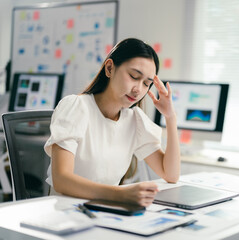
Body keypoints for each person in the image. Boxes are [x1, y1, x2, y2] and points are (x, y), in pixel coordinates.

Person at [44, 38, 180, 207]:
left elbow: (171, 175)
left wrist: (170, 117)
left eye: (146, 83)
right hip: (65, 212)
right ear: (109, 68)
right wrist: (121, 194)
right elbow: (61, 180)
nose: (138, 89)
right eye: (133, 76)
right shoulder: (76, 106)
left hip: (107, 211)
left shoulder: (135, 120)